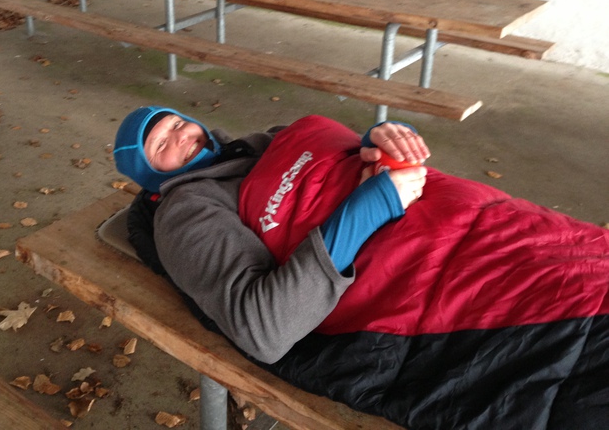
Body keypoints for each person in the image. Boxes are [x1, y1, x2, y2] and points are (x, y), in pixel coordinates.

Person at [113, 105, 609, 430]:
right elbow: (262, 327)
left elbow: (342, 158)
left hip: (498, 226)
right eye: (161, 145)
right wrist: (361, 214)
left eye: (175, 123)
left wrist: (382, 141)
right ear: (150, 176)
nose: (180, 137)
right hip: (449, 282)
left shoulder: (267, 141)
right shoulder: (187, 213)